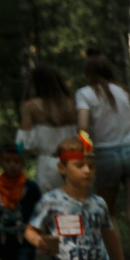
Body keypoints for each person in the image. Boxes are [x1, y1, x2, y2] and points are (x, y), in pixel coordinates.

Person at [76, 48, 130, 260]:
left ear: (87, 73)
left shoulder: (84, 94)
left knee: (109, 216)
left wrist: (87, 158)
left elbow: (83, 130)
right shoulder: (125, 93)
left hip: (106, 155)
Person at [18, 62, 80, 193]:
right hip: (75, 160)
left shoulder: (31, 107)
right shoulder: (74, 103)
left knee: (50, 206)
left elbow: (23, 142)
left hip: (48, 164)